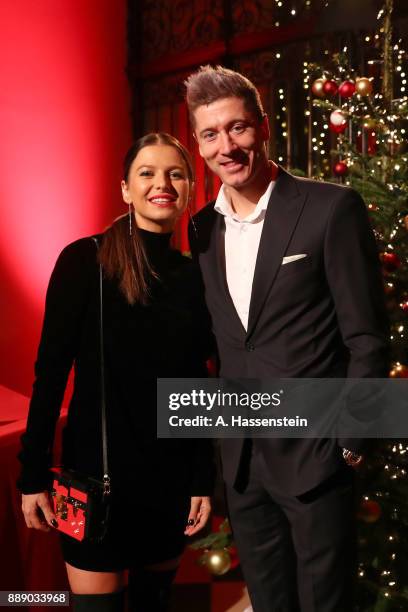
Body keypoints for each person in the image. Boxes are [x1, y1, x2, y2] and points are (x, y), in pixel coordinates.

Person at [185, 66, 389, 611]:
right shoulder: (201, 228)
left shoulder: (329, 207)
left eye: (238, 128)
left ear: (264, 128)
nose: (226, 146)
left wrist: (350, 444)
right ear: (199, 144)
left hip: (317, 460)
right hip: (245, 467)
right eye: (210, 134)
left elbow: (368, 337)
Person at [18, 132, 214, 612]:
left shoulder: (193, 276)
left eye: (174, 173)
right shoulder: (84, 260)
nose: (161, 183)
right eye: (146, 173)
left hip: (167, 484)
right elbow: (50, 373)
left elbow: (198, 383)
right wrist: (31, 476)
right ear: (125, 189)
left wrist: (201, 480)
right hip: (90, 481)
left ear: (188, 188)